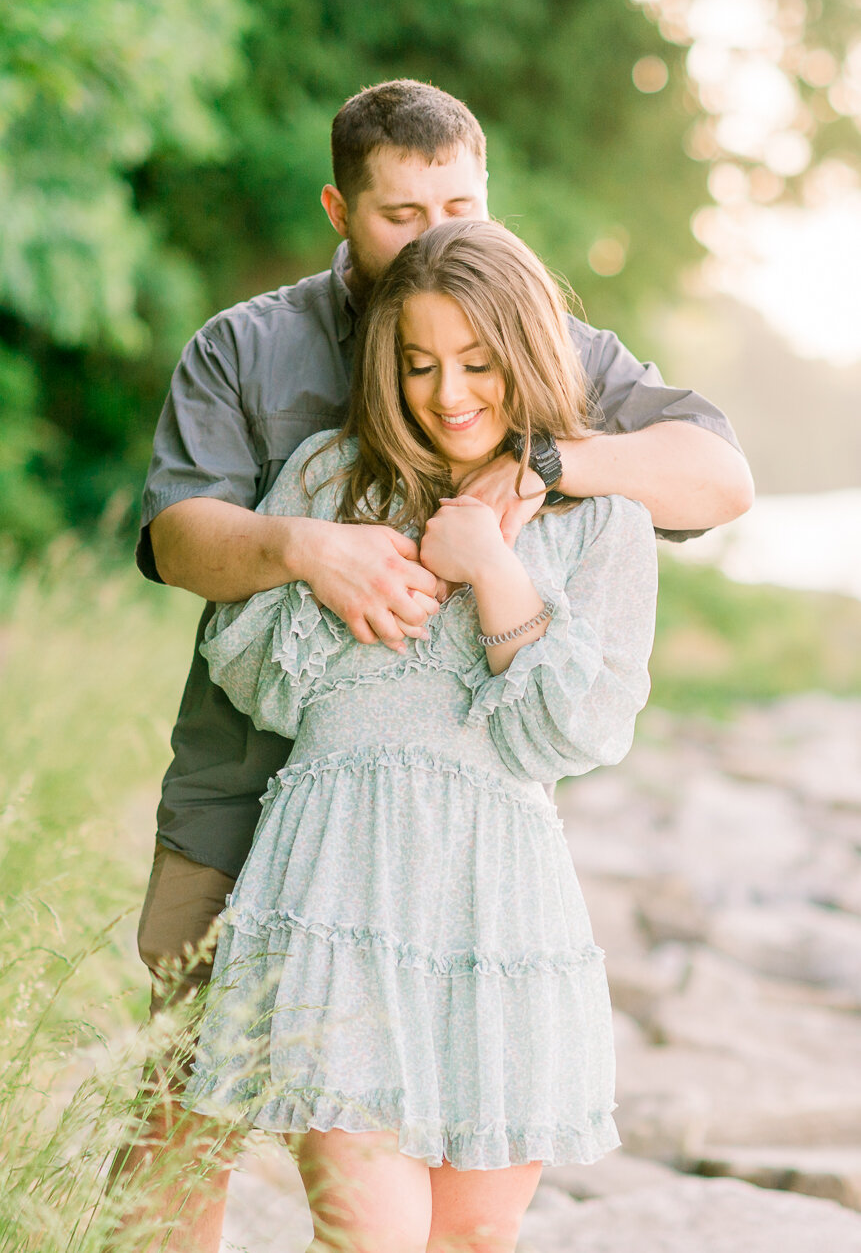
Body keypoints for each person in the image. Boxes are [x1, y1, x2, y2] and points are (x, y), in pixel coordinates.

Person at [115, 80, 752, 1252]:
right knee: (182, 1109)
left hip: (468, 843)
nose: (438, 232)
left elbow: (715, 479)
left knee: (457, 1203)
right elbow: (173, 539)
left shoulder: (535, 334)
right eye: (402, 214)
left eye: (462, 203)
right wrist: (309, 550)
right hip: (246, 787)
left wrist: (553, 467)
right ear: (339, 211)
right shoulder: (249, 349)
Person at [180, 218, 659, 1253]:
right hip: (341, 893)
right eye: (420, 364)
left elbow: (570, 734)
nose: (447, 394)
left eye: (478, 363)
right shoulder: (327, 476)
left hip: (499, 907)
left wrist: (493, 570)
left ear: (526, 352)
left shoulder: (598, 519)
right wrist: (333, 572)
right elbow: (254, 676)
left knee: (475, 1237)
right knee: (370, 1239)